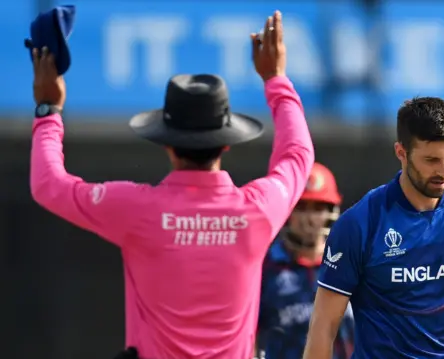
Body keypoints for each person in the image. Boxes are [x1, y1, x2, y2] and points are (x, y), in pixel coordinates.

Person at [29, 10, 315, 359]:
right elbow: (297, 155)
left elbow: (48, 185)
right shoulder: (258, 210)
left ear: (166, 142)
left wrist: (48, 110)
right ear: (226, 142)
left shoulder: (135, 208)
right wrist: (276, 79)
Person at [303, 97, 444, 359]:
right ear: (401, 153)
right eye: (431, 160)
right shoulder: (360, 223)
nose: (443, 171)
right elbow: (324, 325)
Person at [257, 162, 355, 359]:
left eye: (318, 208)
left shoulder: (352, 264)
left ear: (331, 211)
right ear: (288, 212)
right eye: (301, 208)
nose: (310, 219)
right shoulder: (264, 268)